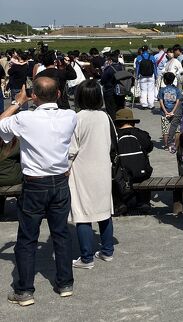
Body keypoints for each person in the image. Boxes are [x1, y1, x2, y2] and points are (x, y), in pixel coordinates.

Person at [1, 78, 77, 305]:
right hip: (60, 181)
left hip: (35, 183)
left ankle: (24, 290)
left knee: (27, 238)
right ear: (59, 94)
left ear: (34, 96)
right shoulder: (69, 116)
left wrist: (17, 102)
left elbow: (1, 123)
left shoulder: (25, 118)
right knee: (61, 233)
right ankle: (65, 283)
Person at [67, 80, 114, 269]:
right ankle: (107, 250)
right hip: (102, 167)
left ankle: (86, 258)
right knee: (103, 210)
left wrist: (65, 168)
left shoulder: (77, 118)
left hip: (82, 169)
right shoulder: (104, 117)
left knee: (82, 212)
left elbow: (72, 149)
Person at [112, 108, 154, 214]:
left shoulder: (114, 136)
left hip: (122, 175)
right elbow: (149, 147)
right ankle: (143, 202)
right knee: (143, 172)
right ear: (132, 122)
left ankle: (120, 203)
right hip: (142, 173)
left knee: (114, 177)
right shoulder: (141, 134)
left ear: (117, 123)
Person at [158, 72, 182, 149]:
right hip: (175, 112)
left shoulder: (162, 90)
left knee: (165, 129)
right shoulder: (177, 90)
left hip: (164, 112)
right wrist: (173, 111)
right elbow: (177, 101)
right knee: (177, 129)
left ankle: (166, 145)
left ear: (164, 80)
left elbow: (161, 101)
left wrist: (165, 111)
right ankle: (176, 145)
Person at [100, 52, 126, 119]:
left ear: (110, 61)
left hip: (110, 91)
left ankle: (113, 122)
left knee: (111, 109)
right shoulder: (122, 67)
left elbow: (103, 80)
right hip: (121, 90)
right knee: (120, 107)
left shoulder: (109, 69)